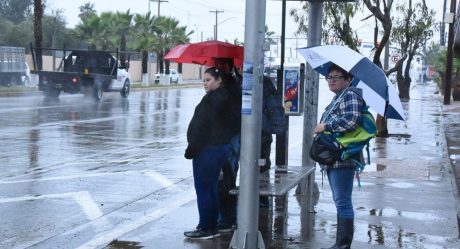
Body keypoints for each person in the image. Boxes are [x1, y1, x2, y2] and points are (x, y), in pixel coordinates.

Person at [315, 63, 364, 249]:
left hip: (343, 158)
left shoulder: (350, 95)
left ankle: (343, 245)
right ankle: (339, 243)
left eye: (336, 77)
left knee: (343, 201)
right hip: (335, 157)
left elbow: (352, 120)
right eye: (329, 77)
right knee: (340, 200)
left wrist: (326, 127)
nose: (331, 80)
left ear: (348, 80)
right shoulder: (339, 97)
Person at [183, 67, 234, 239]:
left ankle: (205, 227)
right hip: (218, 147)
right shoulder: (224, 96)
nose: (205, 83)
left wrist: (192, 149)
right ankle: (211, 226)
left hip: (207, 149)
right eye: (204, 80)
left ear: (219, 80)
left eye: (209, 80)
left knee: (203, 188)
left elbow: (202, 127)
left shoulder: (214, 99)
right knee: (211, 187)